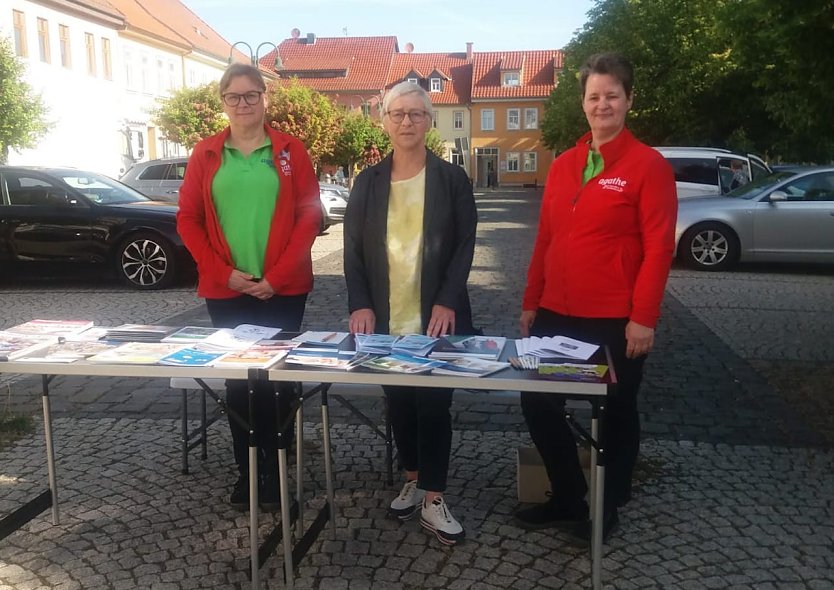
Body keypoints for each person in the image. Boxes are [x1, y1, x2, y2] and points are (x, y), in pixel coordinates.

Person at [514, 53, 677, 543]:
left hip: (614, 318)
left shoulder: (648, 166)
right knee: (537, 402)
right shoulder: (564, 164)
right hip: (555, 312)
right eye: (593, 96)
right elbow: (545, 240)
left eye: (611, 95)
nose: (602, 104)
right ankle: (568, 494)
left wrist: (643, 317)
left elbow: (659, 247)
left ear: (628, 99)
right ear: (582, 102)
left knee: (615, 410)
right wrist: (530, 302)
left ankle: (607, 505)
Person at [177, 63, 321, 511]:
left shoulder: (289, 150)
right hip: (227, 291)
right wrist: (224, 273)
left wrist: (276, 278)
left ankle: (276, 472)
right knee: (239, 385)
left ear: (265, 98)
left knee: (277, 383)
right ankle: (247, 473)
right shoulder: (205, 154)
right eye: (234, 97)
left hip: (284, 288)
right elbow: (188, 219)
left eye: (251, 95)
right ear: (223, 102)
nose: (243, 104)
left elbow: (309, 215)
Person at [343, 81, 478, 546]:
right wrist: (359, 302)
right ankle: (414, 477)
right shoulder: (368, 181)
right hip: (384, 316)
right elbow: (353, 250)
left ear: (429, 120)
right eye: (397, 114)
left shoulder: (451, 179)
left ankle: (434, 498)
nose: (406, 122)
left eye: (416, 114)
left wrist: (446, 297)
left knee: (435, 405)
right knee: (399, 403)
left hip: (437, 315)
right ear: (383, 121)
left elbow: (464, 246)